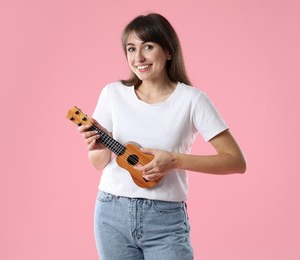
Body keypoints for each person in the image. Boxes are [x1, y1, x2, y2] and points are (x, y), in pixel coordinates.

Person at [78, 13, 246, 260]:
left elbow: (235, 161)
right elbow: (99, 163)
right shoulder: (112, 94)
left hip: (165, 217)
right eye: (131, 48)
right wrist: (96, 146)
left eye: (148, 46)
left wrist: (175, 161)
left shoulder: (192, 100)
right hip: (110, 212)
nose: (139, 58)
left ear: (168, 51)